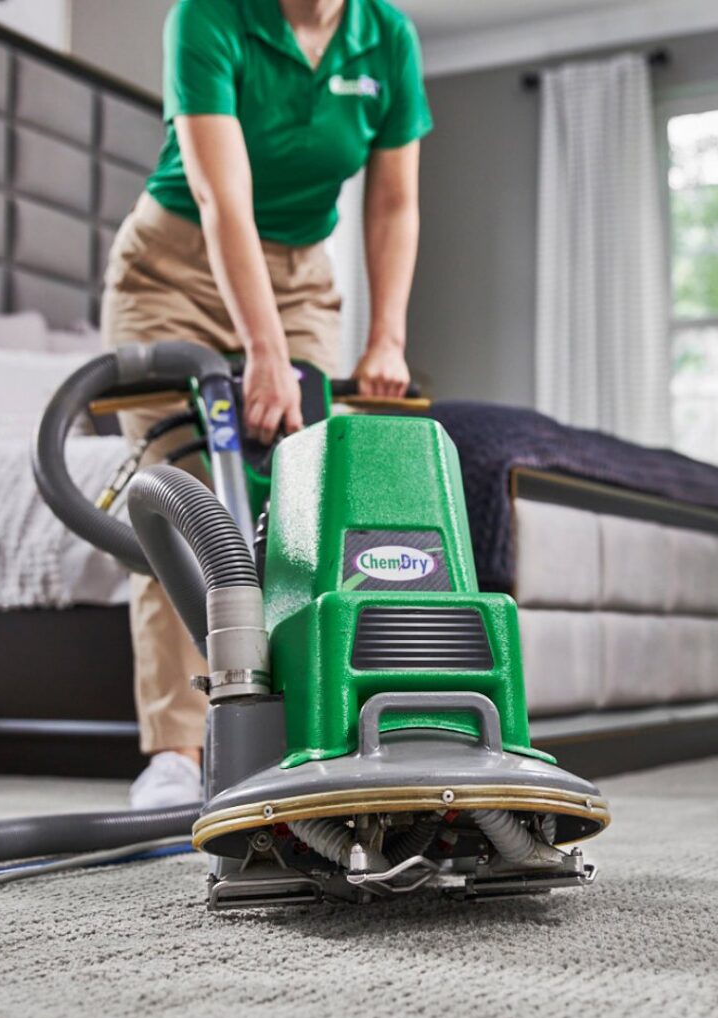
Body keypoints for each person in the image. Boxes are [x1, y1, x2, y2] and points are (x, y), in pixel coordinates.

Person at [101, 0, 432, 808]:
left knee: (307, 502)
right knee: (182, 492)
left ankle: (313, 728)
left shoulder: (386, 36)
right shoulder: (208, 17)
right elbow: (222, 197)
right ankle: (178, 754)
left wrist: (386, 339)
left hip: (300, 278)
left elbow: (394, 202)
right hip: (174, 269)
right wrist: (266, 354)